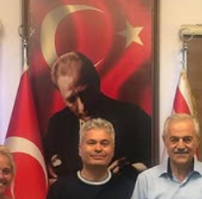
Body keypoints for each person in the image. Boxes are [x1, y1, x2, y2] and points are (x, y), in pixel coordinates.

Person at [43, 51, 152, 179]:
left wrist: (135, 169)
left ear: (96, 82)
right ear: (61, 96)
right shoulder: (57, 125)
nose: (82, 107)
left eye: (85, 93)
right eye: (71, 100)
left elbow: (159, 158)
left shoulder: (133, 117)